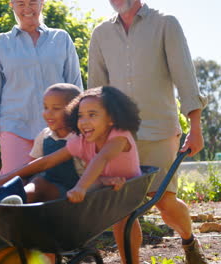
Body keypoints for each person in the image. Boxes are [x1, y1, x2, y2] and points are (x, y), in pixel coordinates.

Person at [87, 1, 208, 263]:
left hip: (159, 130)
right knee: (120, 211)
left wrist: (195, 126)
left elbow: (185, 77)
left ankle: (188, 240)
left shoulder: (165, 24)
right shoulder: (101, 33)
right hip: (118, 137)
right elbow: (96, 89)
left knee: (165, 203)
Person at [0, 86, 143, 264]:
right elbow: (47, 161)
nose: (84, 121)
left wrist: (81, 187)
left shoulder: (119, 137)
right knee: (44, 191)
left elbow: (102, 159)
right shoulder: (81, 141)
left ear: (112, 118)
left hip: (126, 188)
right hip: (98, 185)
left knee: (124, 221)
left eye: (92, 115)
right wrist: (6, 177)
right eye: (80, 115)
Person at [0, 0, 83, 178]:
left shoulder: (61, 38)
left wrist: (79, 128)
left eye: (32, 2)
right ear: (12, 5)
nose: (27, 9)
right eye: (20, 3)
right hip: (15, 126)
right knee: (14, 182)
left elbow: (76, 88)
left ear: (42, 3)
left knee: (56, 183)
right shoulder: (0, 43)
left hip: (58, 129)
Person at [0, 83, 82, 204]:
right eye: (45, 107)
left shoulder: (80, 138)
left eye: (56, 108)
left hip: (69, 192)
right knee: (29, 183)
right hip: (43, 188)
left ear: (74, 111)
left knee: (39, 183)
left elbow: (44, 164)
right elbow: (32, 168)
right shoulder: (44, 136)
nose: (48, 113)